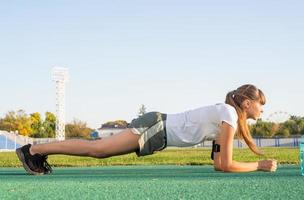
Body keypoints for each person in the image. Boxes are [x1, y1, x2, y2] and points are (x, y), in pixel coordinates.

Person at [16, 84, 277, 175]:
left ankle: (36, 151)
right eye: (260, 105)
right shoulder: (229, 113)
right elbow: (227, 164)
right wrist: (259, 165)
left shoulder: (226, 116)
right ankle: (34, 150)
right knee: (97, 150)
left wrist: (236, 163)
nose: (262, 110)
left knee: (98, 151)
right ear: (247, 103)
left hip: (158, 128)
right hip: (156, 126)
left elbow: (220, 164)